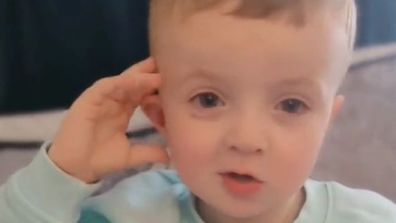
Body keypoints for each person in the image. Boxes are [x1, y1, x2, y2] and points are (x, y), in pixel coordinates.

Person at [1, 0, 396, 222]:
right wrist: (61, 173)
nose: (246, 139)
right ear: (160, 115)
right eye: (209, 99)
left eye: (291, 105)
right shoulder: (129, 214)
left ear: (326, 122)